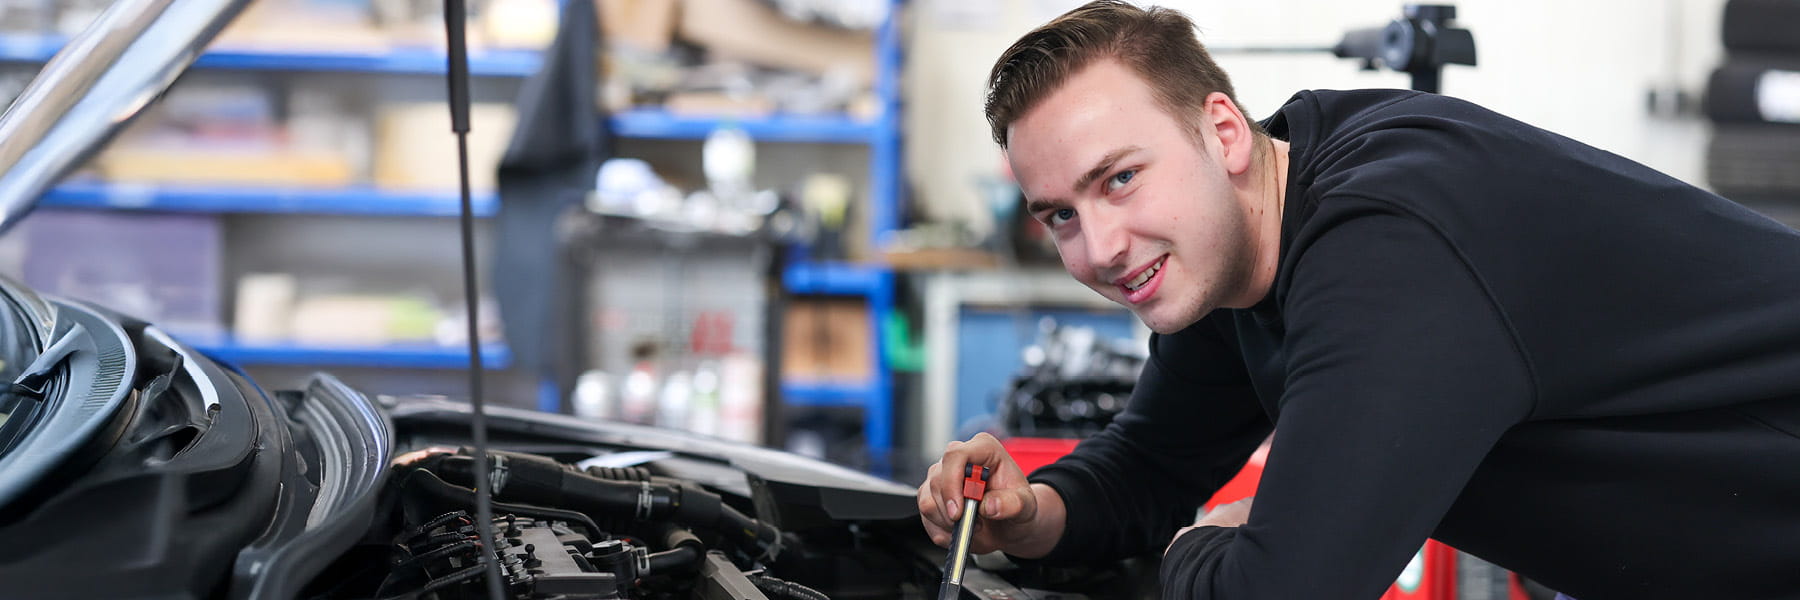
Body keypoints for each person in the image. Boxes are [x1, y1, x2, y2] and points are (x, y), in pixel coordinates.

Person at [915, 1, 1800, 598]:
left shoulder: (1387, 236)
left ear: (1222, 131)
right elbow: (1149, 467)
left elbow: (1294, 589)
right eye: (1061, 215)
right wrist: (1027, 516)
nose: (1101, 248)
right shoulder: (1238, 246)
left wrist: (1189, 554)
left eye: (1120, 179)